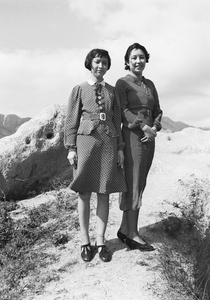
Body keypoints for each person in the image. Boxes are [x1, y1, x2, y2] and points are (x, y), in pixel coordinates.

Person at [64, 48, 127, 263]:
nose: (101, 66)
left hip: (108, 142)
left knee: (104, 192)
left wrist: (120, 147)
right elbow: (71, 120)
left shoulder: (112, 91)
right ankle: (84, 241)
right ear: (90, 64)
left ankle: (100, 241)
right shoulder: (79, 89)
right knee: (83, 192)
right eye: (97, 62)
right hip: (86, 142)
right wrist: (71, 147)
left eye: (105, 63)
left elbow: (117, 120)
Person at [115, 42, 162, 251]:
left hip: (148, 139)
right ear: (127, 61)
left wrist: (155, 127)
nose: (138, 61)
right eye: (133, 57)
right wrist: (143, 126)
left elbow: (158, 110)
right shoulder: (122, 83)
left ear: (146, 60)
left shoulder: (150, 84)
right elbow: (123, 111)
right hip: (133, 136)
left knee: (139, 182)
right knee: (132, 182)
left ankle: (125, 228)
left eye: (141, 57)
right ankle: (133, 234)